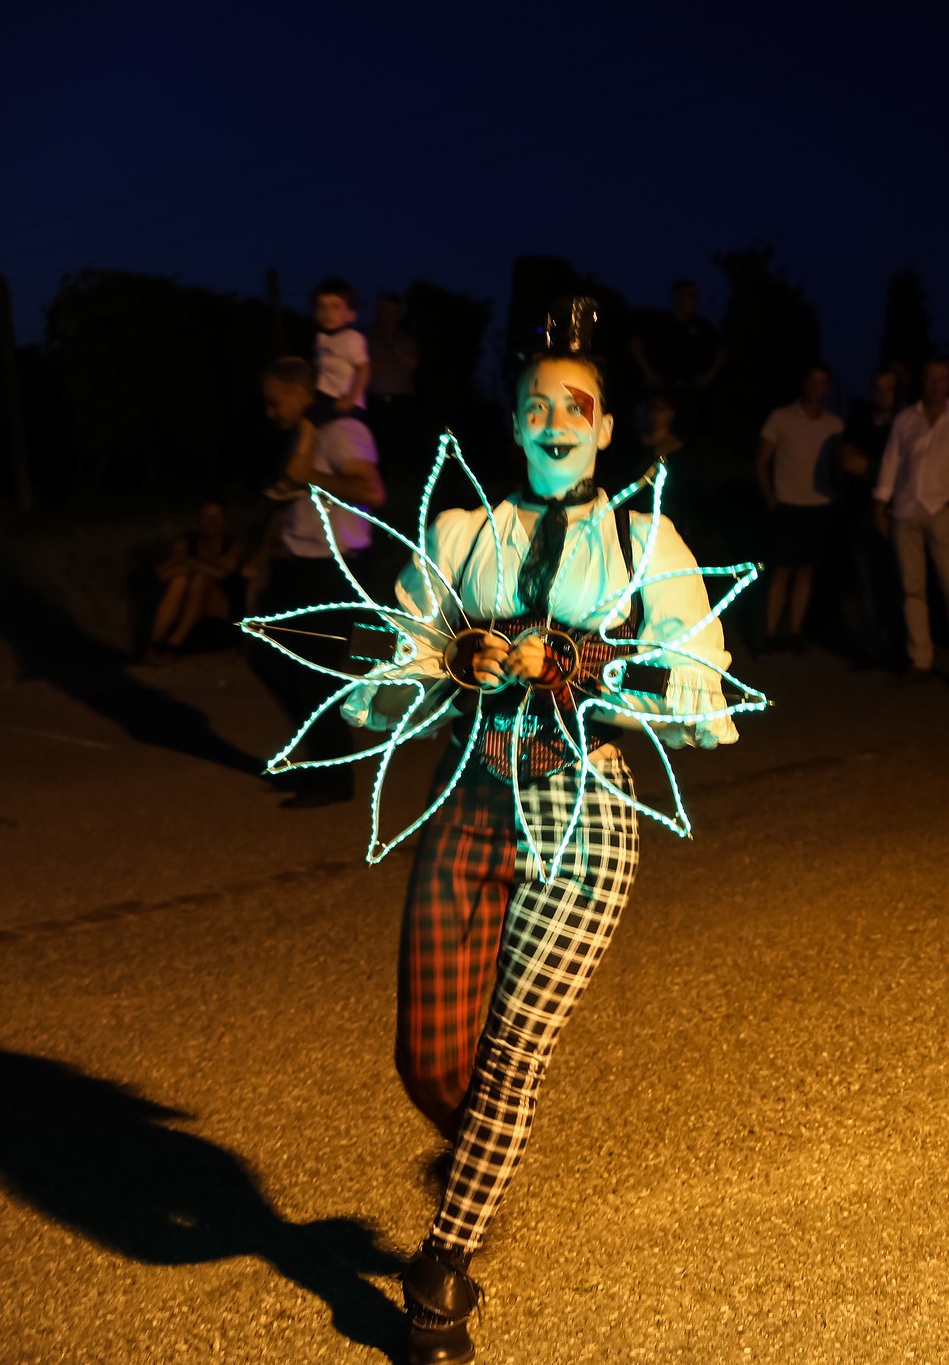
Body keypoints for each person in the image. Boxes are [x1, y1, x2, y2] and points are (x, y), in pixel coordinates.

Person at [333, 301, 741, 1364]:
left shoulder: (644, 540)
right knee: (427, 1054)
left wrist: (583, 666)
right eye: (535, 406)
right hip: (470, 796)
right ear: (510, 422)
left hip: (586, 814)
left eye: (579, 407)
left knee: (513, 1051)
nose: (556, 420)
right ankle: (477, 1160)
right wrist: (450, 662)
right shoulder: (462, 535)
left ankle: (442, 1268)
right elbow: (405, 652)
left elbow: (699, 681)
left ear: (607, 428)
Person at [255, 356, 385, 807]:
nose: (270, 412)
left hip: (333, 570)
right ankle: (321, 763)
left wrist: (307, 473)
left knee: (311, 674)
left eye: (275, 402)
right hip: (301, 565)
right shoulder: (307, 434)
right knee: (268, 656)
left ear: (302, 392)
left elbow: (371, 491)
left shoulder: (342, 432)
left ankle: (332, 776)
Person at [874, 356, 949, 685]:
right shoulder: (907, 419)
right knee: (913, 587)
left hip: (942, 511)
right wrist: (881, 502)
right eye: (930, 379)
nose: (936, 385)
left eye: (942, 379)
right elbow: (892, 461)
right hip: (907, 510)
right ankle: (920, 657)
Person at [756, 365, 844, 652]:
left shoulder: (834, 424)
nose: (817, 388)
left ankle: (794, 632)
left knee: (805, 571)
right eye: (812, 381)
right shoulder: (781, 417)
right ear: (804, 384)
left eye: (823, 383)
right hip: (788, 505)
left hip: (818, 507)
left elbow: (839, 466)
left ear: (828, 388)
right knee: (781, 570)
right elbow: (761, 461)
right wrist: (771, 499)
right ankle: (770, 633)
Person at [839, 364, 905, 666]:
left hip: (898, 512)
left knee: (898, 580)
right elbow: (847, 461)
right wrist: (882, 469)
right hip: (860, 513)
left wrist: (874, 468)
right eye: (878, 388)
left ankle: (898, 646)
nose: (883, 394)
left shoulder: (906, 420)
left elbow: (907, 470)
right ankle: (872, 645)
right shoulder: (861, 418)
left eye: (889, 388)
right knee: (865, 580)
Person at [142, 500, 244, 664]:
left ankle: (174, 645)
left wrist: (185, 562)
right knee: (180, 580)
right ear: (198, 519)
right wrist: (198, 566)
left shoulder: (233, 545)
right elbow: (163, 572)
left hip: (220, 608)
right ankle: (154, 645)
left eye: (216, 516)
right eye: (206, 516)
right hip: (186, 601)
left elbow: (220, 574)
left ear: (224, 520)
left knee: (199, 579)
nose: (211, 522)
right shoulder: (186, 541)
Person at [628, 279, 726, 439]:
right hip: (660, 387)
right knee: (655, 430)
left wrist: (709, 375)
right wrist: (647, 371)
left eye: (696, 296)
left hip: (690, 389)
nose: (694, 300)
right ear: (676, 297)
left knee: (687, 433)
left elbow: (722, 350)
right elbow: (635, 342)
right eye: (690, 296)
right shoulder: (658, 321)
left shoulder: (702, 326)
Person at [366, 290, 420, 453]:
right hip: (374, 401)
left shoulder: (406, 339)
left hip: (402, 402)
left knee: (401, 448)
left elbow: (411, 364)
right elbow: (369, 366)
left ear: (398, 313)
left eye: (391, 312)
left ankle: (400, 477)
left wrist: (392, 343)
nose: (387, 316)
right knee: (375, 448)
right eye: (383, 311)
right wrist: (397, 364)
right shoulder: (368, 337)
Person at [311, 278, 370, 424]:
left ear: (351, 314)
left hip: (344, 401)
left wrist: (351, 398)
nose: (327, 312)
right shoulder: (321, 338)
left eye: (335, 306)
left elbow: (364, 369)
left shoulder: (351, 338)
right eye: (321, 306)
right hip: (324, 396)